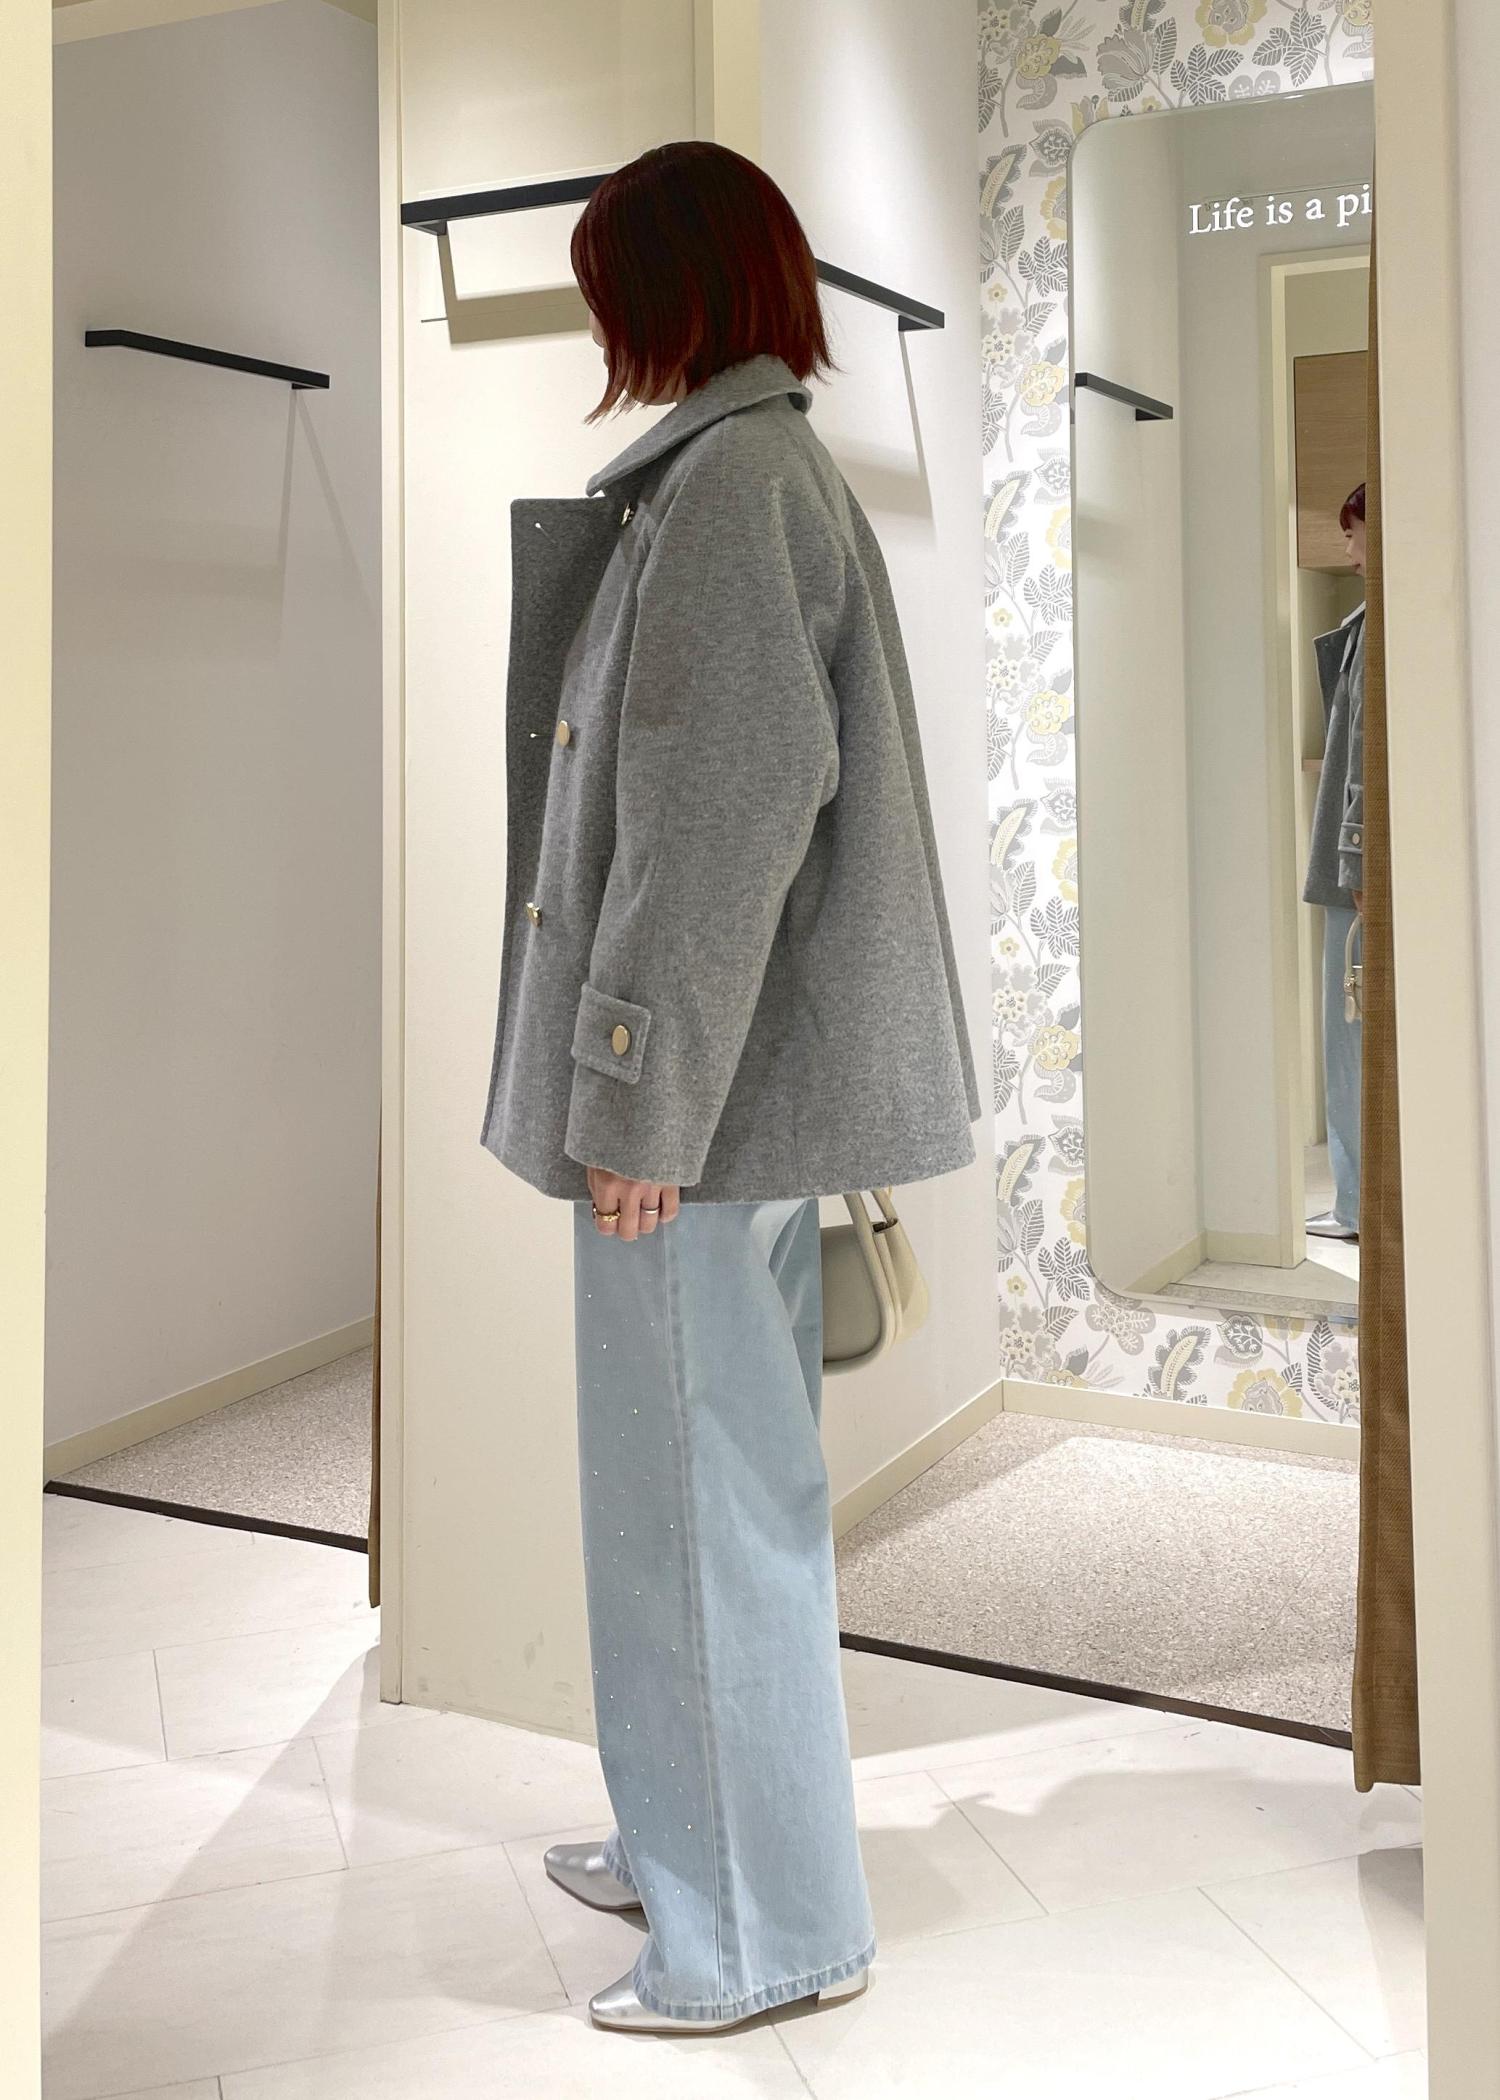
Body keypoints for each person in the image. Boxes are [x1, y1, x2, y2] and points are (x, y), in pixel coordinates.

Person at [476, 140, 981, 2034]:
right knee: (682, 1490)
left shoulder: (739, 487)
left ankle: (762, 1932)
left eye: (613, 286)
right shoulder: (741, 473)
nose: (602, 322)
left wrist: (637, 1104)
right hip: (721, 1105)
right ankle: (682, 1832)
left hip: (702, 1115)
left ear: (672, 289)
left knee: (705, 1504)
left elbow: (709, 837)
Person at [1302, 481, 1367, 1240]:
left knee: (1350, 1036)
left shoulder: (1377, 630)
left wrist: (1357, 865)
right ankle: (1358, 1201)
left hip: (1355, 875)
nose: (1345, 546)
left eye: (1352, 531)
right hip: (1358, 868)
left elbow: (1362, 762)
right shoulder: (1371, 625)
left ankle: (1355, 1207)